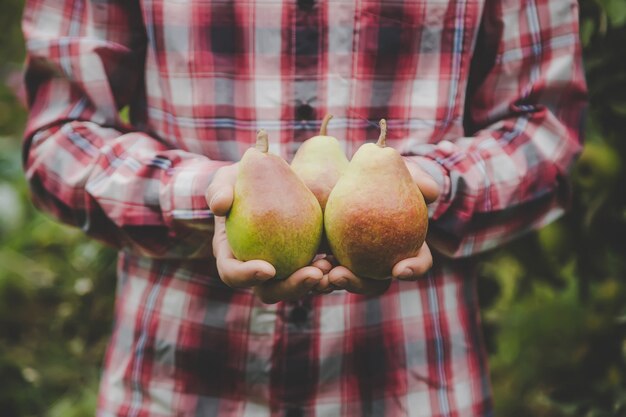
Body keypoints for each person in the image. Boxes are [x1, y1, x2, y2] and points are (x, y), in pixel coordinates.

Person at [21, 0, 587, 415]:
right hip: (176, 386)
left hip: (413, 383)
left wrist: (428, 188)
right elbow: (61, 135)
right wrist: (203, 196)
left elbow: (546, 127)